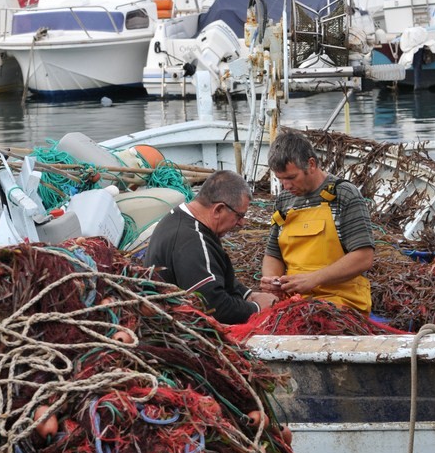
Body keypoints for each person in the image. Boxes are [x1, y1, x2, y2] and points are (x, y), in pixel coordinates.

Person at [261, 128, 375, 313]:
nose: (286, 186)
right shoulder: (283, 201)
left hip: (341, 301)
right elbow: (273, 253)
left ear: (311, 164)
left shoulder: (343, 194)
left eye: (291, 177)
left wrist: (313, 279)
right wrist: (272, 280)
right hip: (294, 301)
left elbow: (363, 257)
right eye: (281, 180)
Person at [145, 170, 277, 324]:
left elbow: (210, 276)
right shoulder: (192, 240)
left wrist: (247, 294)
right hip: (177, 330)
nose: (242, 223)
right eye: (239, 216)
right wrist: (256, 308)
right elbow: (214, 307)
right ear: (218, 209)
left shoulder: (179, 217)